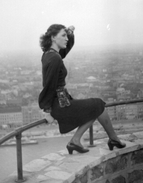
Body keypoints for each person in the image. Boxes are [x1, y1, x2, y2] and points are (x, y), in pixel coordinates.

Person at [38, 24, 126, 155]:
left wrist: (70, 33)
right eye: (63, 36)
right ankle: (109, 139)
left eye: (66, 36)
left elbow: (64, 51)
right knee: (98, 104)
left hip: (62, 102)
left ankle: (81, 140)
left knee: (96, 107)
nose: (66, 39)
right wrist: (47, 110)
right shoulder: (54, 58)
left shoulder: (49, 54)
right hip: (60, 105)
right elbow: (49, 84)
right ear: (53, 38)